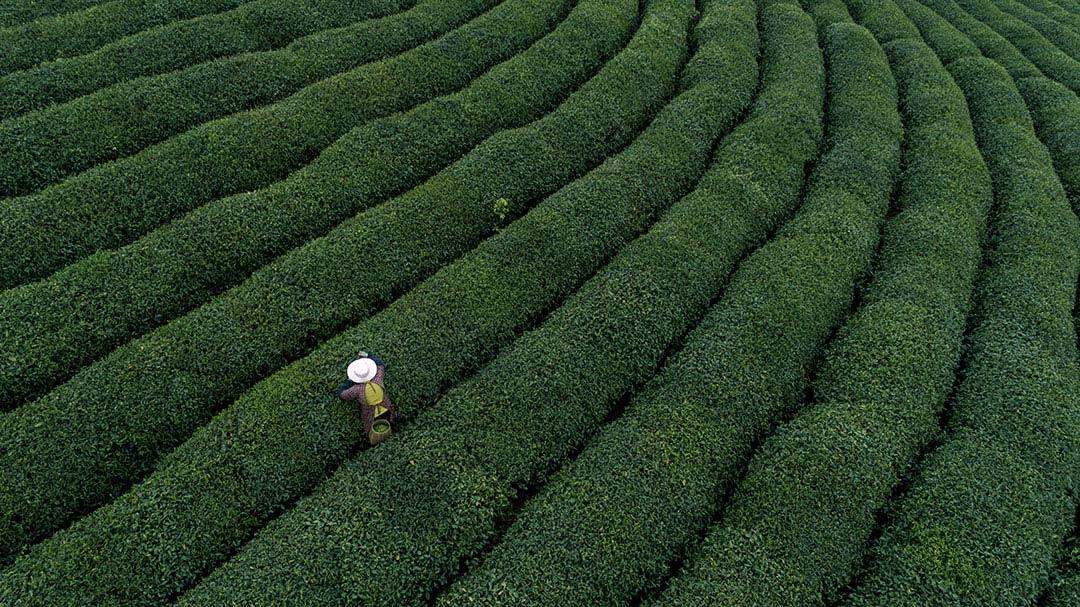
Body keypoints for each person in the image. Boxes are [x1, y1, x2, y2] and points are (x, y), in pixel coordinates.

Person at [337, 352, 394, 445]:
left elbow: (342, 394)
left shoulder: (357, 389)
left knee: (374, 432)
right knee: (387, 425)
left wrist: (349, 381)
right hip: (386, 408)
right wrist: (368, 355)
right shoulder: (377, 379)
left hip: (370, 415)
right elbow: (380, 364)